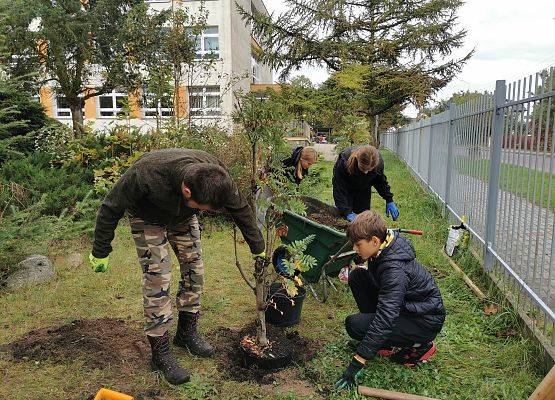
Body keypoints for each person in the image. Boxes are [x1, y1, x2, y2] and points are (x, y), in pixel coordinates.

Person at [88, 148, 266, 386]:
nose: (208, 212)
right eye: (204, 207)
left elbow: (241, 209)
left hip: (182, 218)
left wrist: (258, 247)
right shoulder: (145, 174)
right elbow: (111, 207)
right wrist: (101, 250)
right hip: (147, 218)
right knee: (158, 279)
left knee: (195, 270)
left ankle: (186, 333)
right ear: (186, 190)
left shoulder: (217, 176)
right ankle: (160, 353)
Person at [335, 211, 446, 390]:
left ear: (374, 241)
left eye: (358, 245)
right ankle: (384, 343)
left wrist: (358, 361)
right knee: (358, 276)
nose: (355, 249)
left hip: (423, 321)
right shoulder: (385, 244)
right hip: (406, 306)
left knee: (354, 325)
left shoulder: (395, 271)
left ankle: (420, 346)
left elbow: (387, 316)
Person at [256, 146, 318, 229]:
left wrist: (287, 197)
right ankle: (256, 234)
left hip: (280, 190)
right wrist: (275, 187)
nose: (309, 166)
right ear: (302, 159)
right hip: (268, 183)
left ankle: (271, 230)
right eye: (309, 163)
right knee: (260, 210)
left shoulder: (303, 168)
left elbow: (295, 185)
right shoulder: (287, 157)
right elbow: (272, 170)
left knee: (278, 211)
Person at [332, 145, 399, 222]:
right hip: (346, 189)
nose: (366, 172)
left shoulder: (378, 163)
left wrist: (389, 199)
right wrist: (346, 213)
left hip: (363, 189)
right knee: (345, 218)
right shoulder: (344, 162)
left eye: (370, 170)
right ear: (357, 159)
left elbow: (380, 182)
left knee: (362, 220)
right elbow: (339, 189)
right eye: (363, 169)